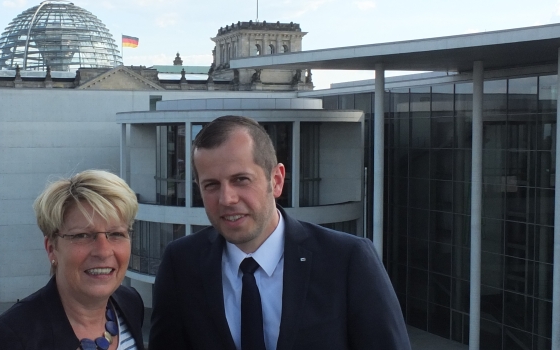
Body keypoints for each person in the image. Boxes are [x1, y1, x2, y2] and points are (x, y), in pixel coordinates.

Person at [149, 116, 409, 350]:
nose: (227, 198)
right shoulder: (181, 263)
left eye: (241, 179)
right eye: (211, 185)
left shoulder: (347, 260)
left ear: (276, 180)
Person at [0, 170, 144, 349]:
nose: (103, 251)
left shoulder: (129, 303)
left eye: (116, 234)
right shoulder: (6, 339)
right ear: (52, 248)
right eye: (82, 235)